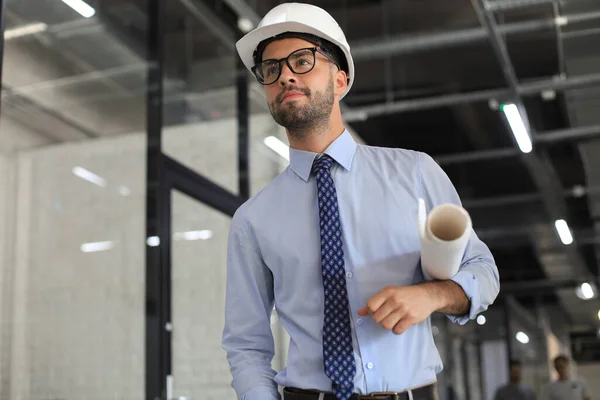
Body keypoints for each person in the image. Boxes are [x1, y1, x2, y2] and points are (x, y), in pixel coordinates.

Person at [221, 2, 500, 400]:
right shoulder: (252, 219)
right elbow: (245, 344)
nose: (284, 76)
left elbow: (483, 270)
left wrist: (432, 295)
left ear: (340, 79)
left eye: (302, 61)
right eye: (271, 68)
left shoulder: (415, 173)